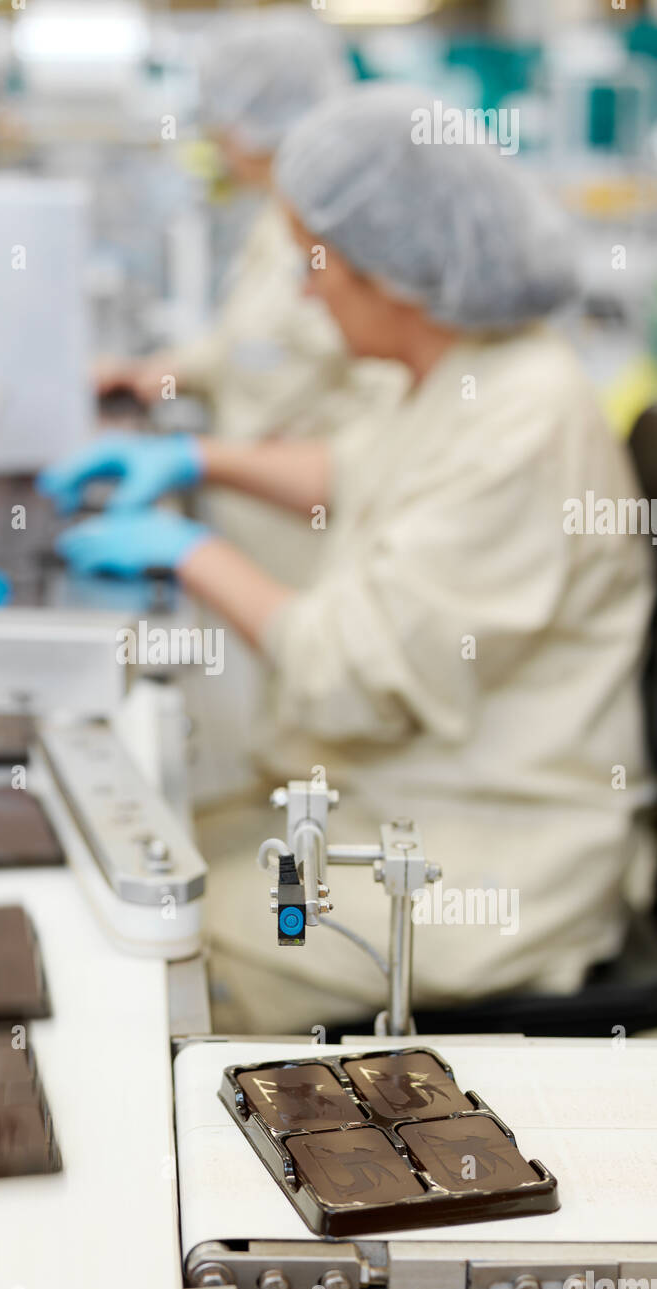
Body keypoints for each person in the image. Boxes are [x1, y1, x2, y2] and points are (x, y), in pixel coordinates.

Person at [41, 86, 654, 1034]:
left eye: (318, 263)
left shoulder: (524, 424)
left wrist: (190, 549)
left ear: (396, 276)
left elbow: (341, 674)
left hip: (492, 865)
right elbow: (356, 470)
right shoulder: (468, 371)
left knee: (142, 938)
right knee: (134, 852)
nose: (305, 288)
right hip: (399, 793)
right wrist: (199, 459)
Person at [93, 12, 404, 589]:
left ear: (258, 121)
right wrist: (156, 375)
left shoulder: (344, 232)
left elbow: (387, 442)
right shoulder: (278, 214)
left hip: (324, 558)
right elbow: (253, 344)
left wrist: (202, 459)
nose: (217, 140)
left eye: (223, 120)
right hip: (267, 548)